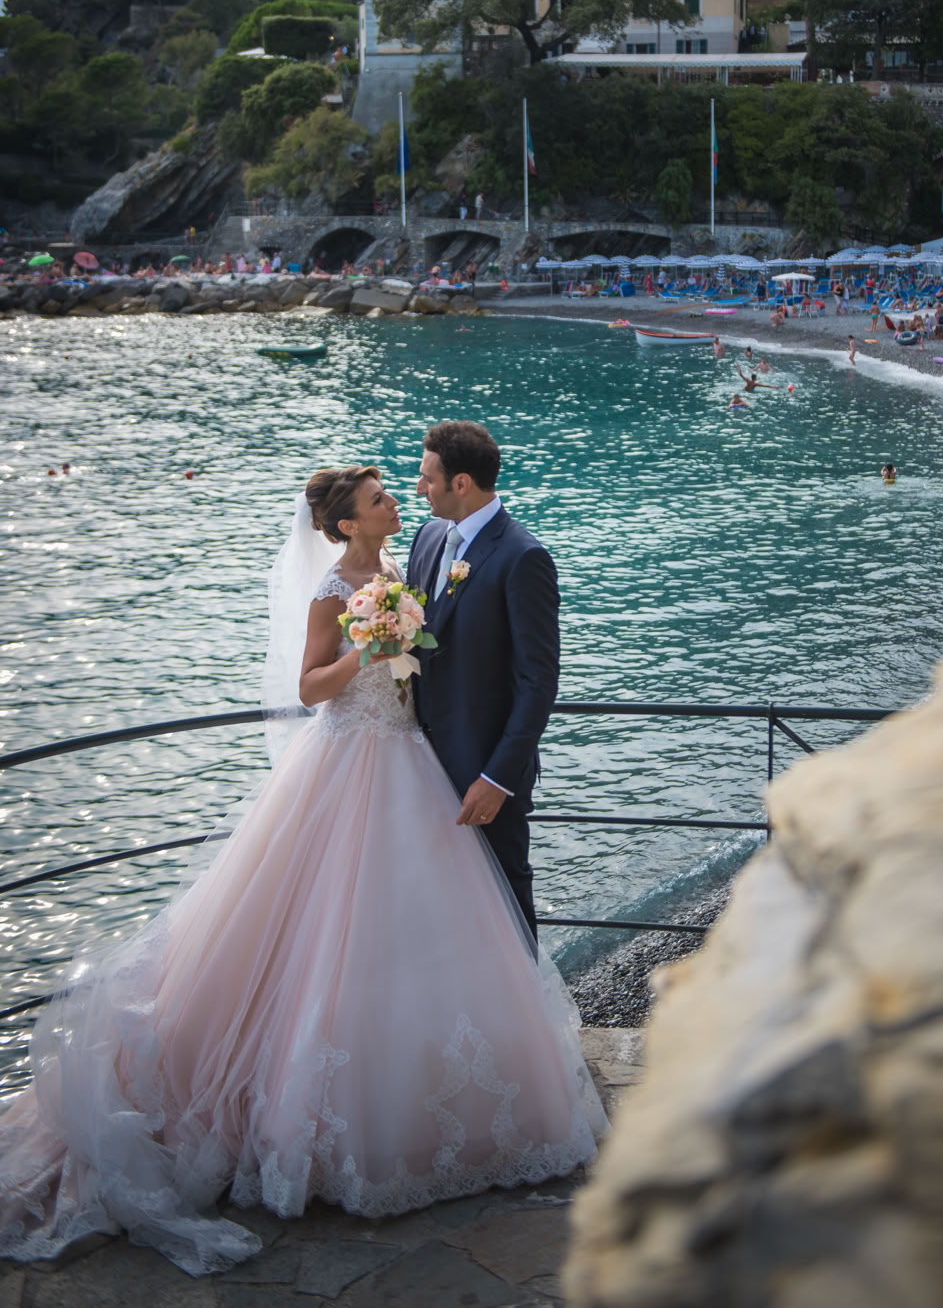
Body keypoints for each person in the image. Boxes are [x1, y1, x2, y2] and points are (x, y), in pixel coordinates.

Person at [0, 462, 604, 1273]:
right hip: (349, 765)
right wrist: (369, 646)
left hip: (412, 762)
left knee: (423, 935)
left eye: (400, 490)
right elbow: (313, 686)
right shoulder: (333, 588)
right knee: (329, 933)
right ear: (349, 523)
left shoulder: (403, 563)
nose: (399, 501)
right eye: (382, 499)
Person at [406, 423, 557, 938]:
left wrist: (496, 780)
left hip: (484, 775)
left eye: (427, 477)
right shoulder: (426, 538)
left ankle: (527, 1019)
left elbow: (539, 681)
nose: (419, 487)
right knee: (430, 903)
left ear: (461, 483)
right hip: (415, 767)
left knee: (504, 904)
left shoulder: (522, 557)